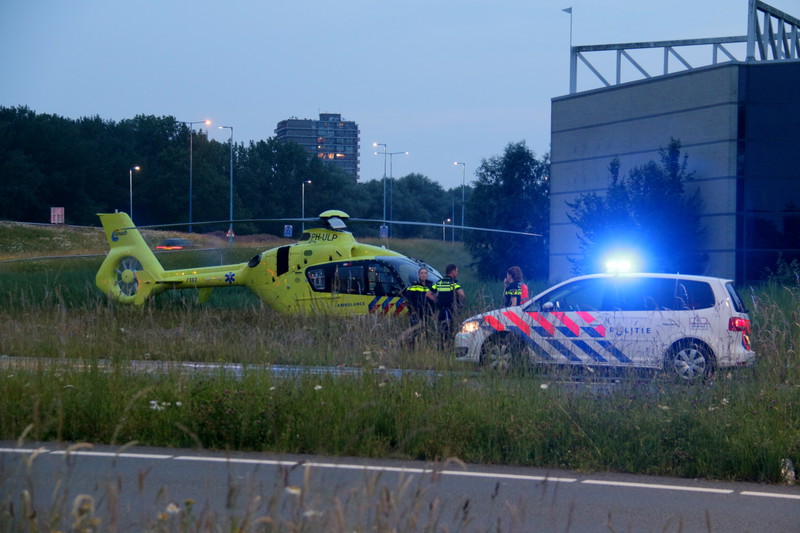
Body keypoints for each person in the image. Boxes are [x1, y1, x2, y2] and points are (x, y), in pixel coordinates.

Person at [428, 263, 465, 347]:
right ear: (453, 272)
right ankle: (449, 347)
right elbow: (462, 295)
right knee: (450, 329)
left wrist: (436, 301)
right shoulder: (453, 282)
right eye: (456, 271)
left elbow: (428, 294)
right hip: (450, 310)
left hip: (441, 310)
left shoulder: (439, 282)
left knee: (441, 329)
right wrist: (461, 305)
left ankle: (441, 346)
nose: (457, 273)